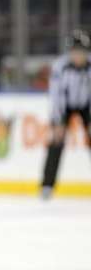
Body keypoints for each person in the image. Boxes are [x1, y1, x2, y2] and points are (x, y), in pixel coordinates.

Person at [41, 30, 91, 199]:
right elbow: (56, 96)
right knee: (56, 142)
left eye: (80, 52)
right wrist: (58, 120)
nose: (77, 56)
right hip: (65, 105)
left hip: (86, 105)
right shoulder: (60, 67)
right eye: (74, 52)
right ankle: (47, 186)